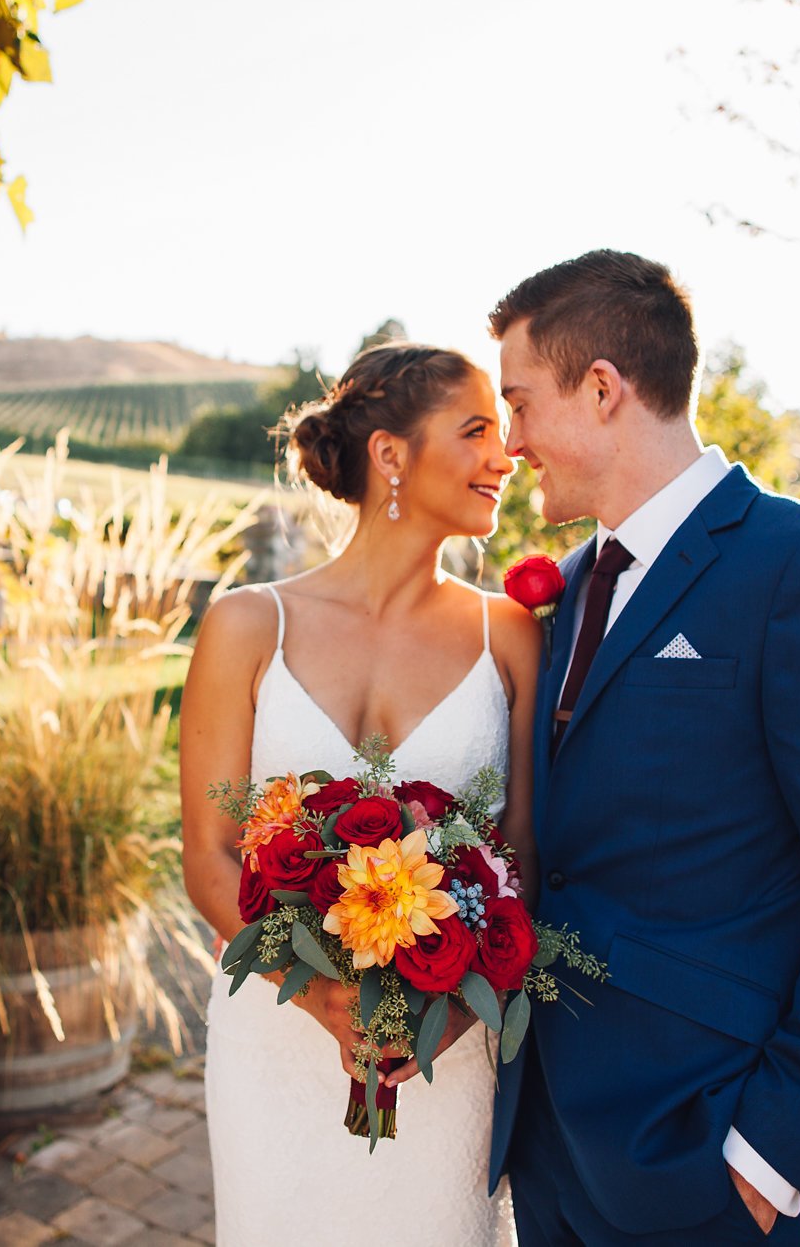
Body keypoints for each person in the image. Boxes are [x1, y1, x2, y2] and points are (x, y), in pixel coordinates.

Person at [486, 249, 800, 1247]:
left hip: (700, 1155)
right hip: (547, 1147)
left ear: (603, 390)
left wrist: (776, 1145)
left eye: (521, 402)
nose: (510, 439)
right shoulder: (568, 586)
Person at [179, 342, 538, 1245]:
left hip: (445, 1051)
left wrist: (441, 1016)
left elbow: (525, 854)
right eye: (477, 430)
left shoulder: (512, 635)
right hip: (275, 1039)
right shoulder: (248, 623)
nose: (507, 456)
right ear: (390, 454)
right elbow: (209, 853)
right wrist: (327, 1001)